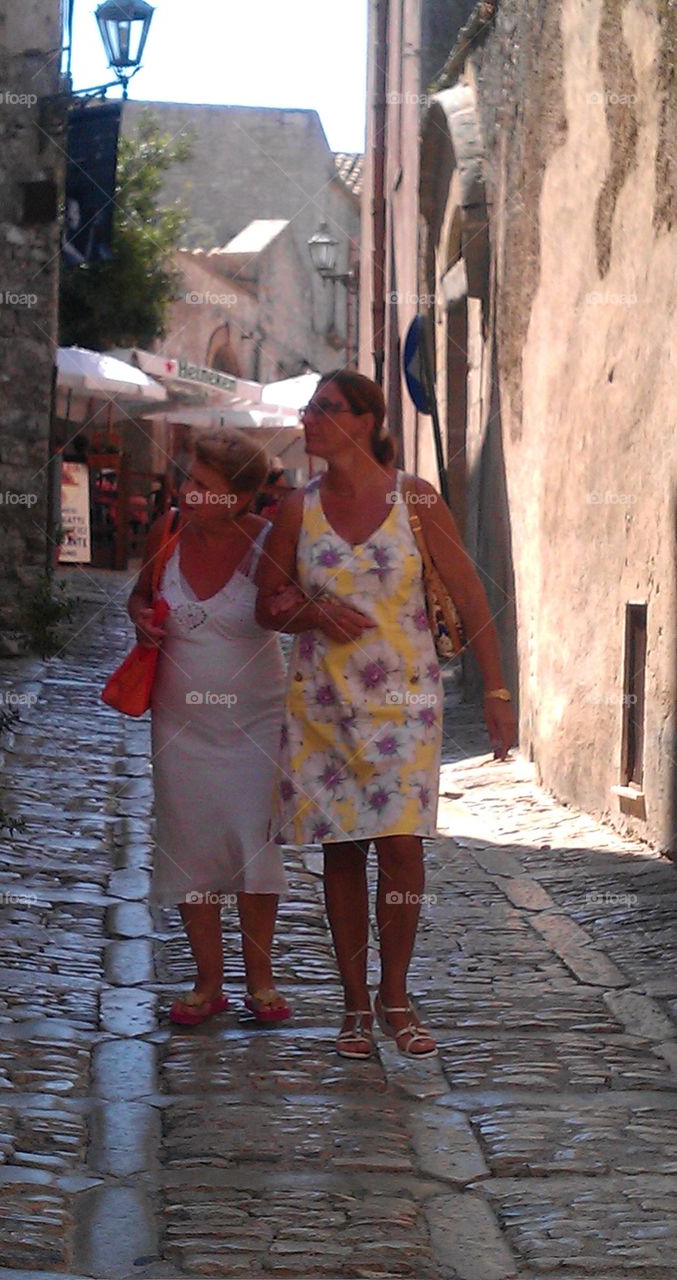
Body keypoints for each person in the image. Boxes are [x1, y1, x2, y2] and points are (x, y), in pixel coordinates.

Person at [256, 370, 517, 1059]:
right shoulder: (296, 507)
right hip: (322, 700)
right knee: (342, 852)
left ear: (367, 421)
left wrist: (495, 690)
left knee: (401, 847)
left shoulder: (416, 500)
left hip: (405, 701)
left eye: (326, 408)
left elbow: (469, 595)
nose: (309, 418)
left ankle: (394, 995)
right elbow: (266, 604)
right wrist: (312, 611)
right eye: (308, 408)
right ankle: (352, 1007)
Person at [128, 428, 291, 1027]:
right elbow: (140, 595)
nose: (188, 491)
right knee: (190, 840)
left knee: (255, 842)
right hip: (180, 726)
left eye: (203, 484)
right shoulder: (166, 532)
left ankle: (261, 979)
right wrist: (142, 618)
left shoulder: (272, 544)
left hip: (255, 722)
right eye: (189, 479)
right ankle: (207, 982)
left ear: (239, 495)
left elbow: (290, 607)